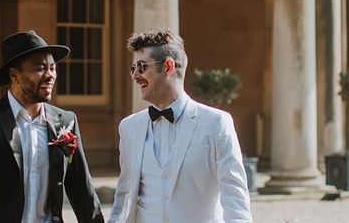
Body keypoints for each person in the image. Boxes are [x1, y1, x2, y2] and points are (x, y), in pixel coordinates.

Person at [0, 30, 104, 223]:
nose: (50, 75)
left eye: (52, 68)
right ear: (14, 76)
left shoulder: (66, 121)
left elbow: (82, 192)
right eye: (39, 68)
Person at [108, 30, 252, 223]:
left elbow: (236, 197)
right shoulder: (129, 127)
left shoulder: (216, 123)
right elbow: (124, 196)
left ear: (168, 67)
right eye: (133, 68)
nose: (135, 75)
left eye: (141, 67)